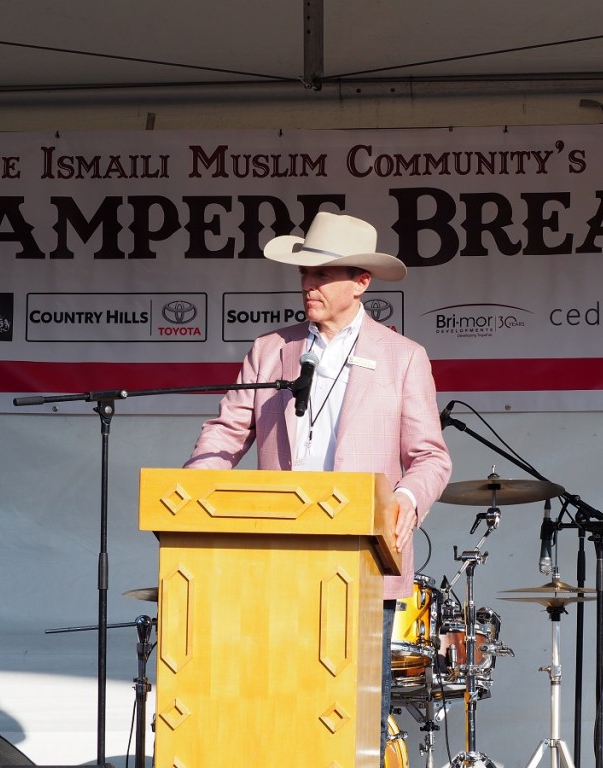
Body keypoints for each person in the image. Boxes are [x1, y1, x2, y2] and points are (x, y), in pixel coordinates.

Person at [185, 211, 453, 765]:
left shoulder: (403, 358)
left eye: (322, 275)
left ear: (361, 283)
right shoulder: (271, 351)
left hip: (362, 560)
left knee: (358, 718)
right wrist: (192, 491)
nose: (308, 284)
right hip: (275, 559)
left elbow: (430, 458)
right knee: (274, 706)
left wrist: (404, 500)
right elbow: (227, 430)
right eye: (305, 273)